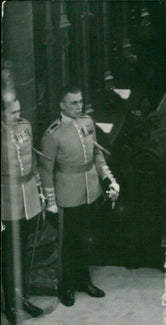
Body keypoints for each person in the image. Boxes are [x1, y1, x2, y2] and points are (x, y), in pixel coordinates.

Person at [39, 85, 120, 307]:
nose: (79, 106)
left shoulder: (87, 122)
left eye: (80, 101)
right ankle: (66, 286)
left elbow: (96, 154)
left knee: (85, 239)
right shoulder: (53, 134)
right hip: (68, 192)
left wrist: (108, 179)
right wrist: (51, 202)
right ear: (62, 105)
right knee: (69, 243)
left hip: (90, 190)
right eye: (74, 103)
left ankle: (84, 281)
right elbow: (46, 171)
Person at [1, 94, 44, 323]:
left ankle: (23, 298)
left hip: (27, 198)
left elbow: (32, 160)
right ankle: (10, 304)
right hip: (5, 202)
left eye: (18, 111)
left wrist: (38, 188)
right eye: (12, 112)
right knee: (8, 256)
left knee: (24, 252)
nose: (18, 116)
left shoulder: (25, 126)